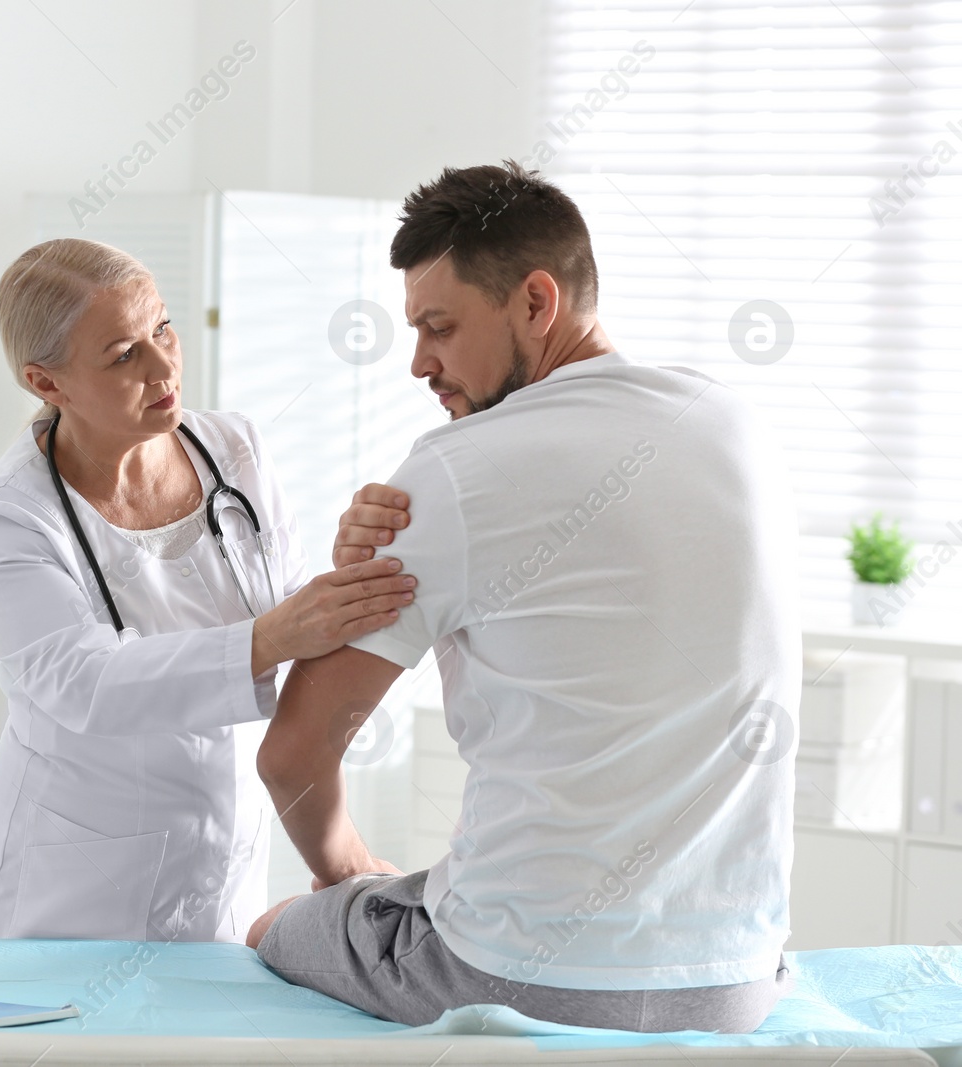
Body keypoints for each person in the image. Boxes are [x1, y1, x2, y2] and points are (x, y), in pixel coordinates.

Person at [248, 162, 801, 1033]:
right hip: (736, 980)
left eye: (439, 327)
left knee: (274, 926)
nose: (419, 362)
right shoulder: (736, 425)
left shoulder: (452, 470)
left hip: (520, 975)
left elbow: (291, 755)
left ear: (536, 303)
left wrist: (348, 868)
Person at [0, 237, 418, 942]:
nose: (164, 364)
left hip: (222, 858)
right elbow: (82, 683)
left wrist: (358, 558)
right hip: (72, 889)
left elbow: (297, 617)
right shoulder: (5, 517)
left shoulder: (237, 452)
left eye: (162, 328)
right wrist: (272, 635)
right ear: (48, 383)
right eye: (122, 355)